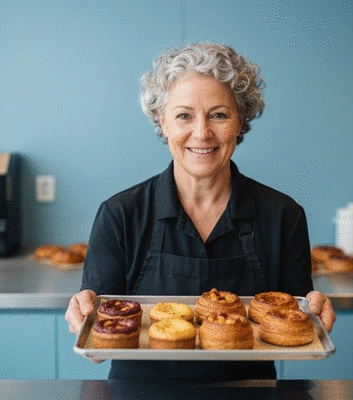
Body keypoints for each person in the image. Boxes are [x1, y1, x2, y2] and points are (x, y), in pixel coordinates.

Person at [65, 42, 336, 380]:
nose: (202, 132)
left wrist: (313, 311)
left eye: (219, 114)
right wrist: (83, 313)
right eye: (184, 116)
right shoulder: (120, 215)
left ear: (241, 121)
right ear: (163, 122)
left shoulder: (283, 216)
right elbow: (98, 339)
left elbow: (295, 314)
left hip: (249, 392)